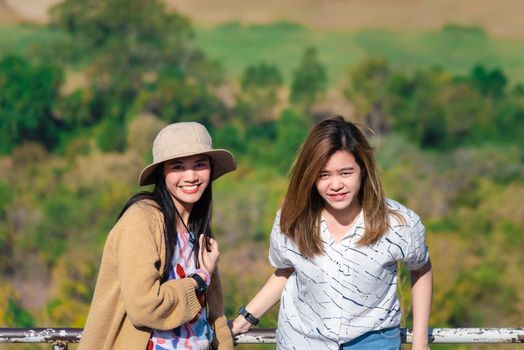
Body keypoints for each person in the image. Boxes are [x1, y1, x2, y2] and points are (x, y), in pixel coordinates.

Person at [231, 116, 432, 350]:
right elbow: (286, 270)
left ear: (363, 171)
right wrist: (245, 318)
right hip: (302, 341)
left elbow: (421, 269)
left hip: (373, 341)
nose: (335, 185)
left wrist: (420, 342)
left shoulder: (399, 223)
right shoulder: (292, 219)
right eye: (323, 175)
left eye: (345, 173)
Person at [79, 122, 236, 350]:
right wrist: (200, 279)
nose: (190, 176)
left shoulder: (197, 225)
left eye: (200, 165)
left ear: (211, 168)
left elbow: (213, 311)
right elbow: (144, 306)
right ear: (162, 172)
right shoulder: (142, 219)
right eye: (178, 167)